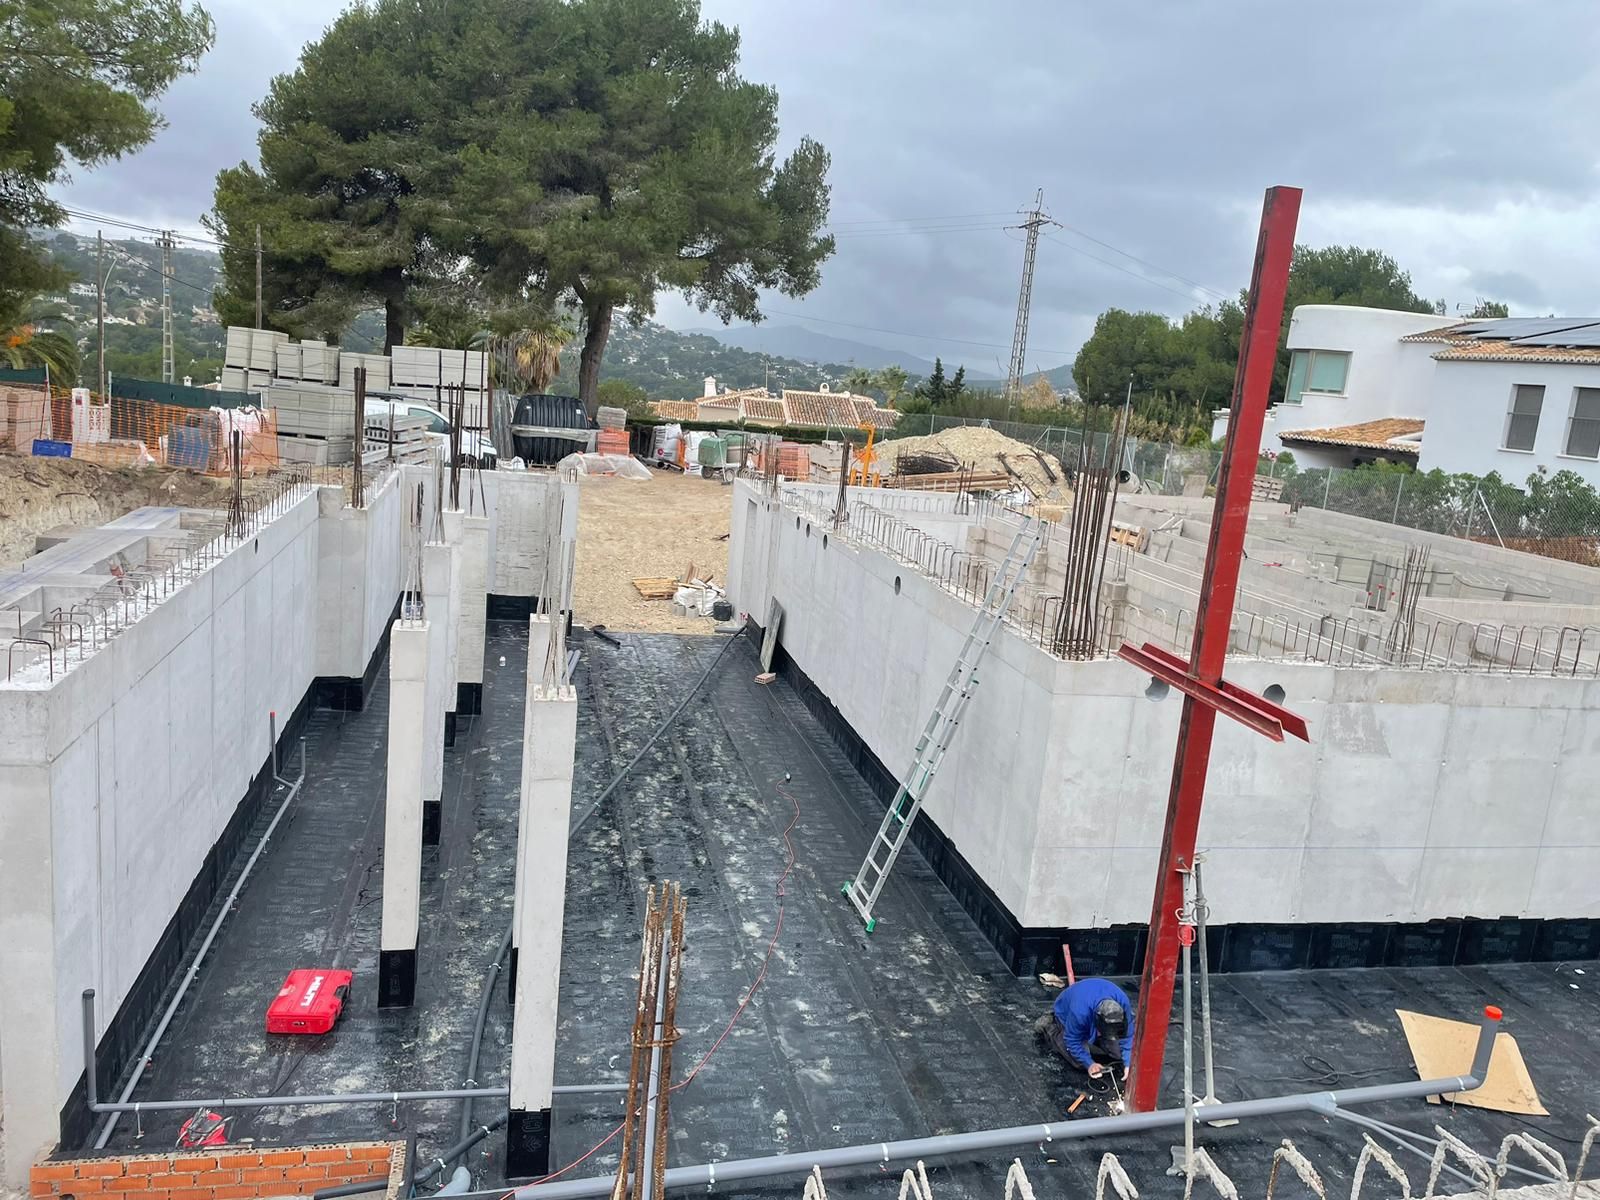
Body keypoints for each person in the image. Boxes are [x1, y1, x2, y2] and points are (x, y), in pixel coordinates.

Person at [1034, 977, 1135, 1079]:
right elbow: (1072, 1041)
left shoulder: (1123, 1003)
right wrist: (1089, 1064)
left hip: (1091, 1012)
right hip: (1066, 1014)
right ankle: (1051, 1026)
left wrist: (1128, 1063)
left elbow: (1128, 1035)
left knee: (1119, 1054)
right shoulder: (1079, 1013)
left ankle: (1097, 1039)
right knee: (1078, 1062)